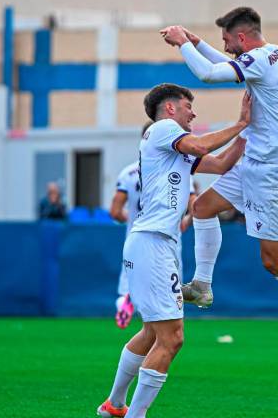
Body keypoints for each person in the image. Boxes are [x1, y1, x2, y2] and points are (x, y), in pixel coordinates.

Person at [160, 7, 278, 362]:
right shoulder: (270, 54)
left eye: (227, 41)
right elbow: (225, 64)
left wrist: (182, 45)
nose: (226, 48)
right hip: (255, 163)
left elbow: (210, 74)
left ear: (242, 37)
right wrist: (199, 42)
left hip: (275, 174)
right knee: (202, 207)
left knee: (273, 260)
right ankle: (204, 285)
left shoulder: (259, 59)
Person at [96, 83, 249, 417]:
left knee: (153, 332)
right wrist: (238, 123)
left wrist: (250, 132)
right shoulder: (163, 129)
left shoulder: (174, 150)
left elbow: (222, 164)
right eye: (187, 106)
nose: (193, 113)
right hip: (152, 243)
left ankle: (115, 405)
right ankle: (133, 414)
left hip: (151, 243)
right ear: (169, 109)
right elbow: (198, 144)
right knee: (173, 338)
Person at [109, 121, 198, 330]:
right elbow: (196, 204)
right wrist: (185, 221)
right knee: (168, 298)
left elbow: (114, 210)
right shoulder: (181, 169)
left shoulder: (128, 173)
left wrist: (131, 218)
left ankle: (125, 303)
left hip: (136, 237)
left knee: (128, 288)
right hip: (166, 239)